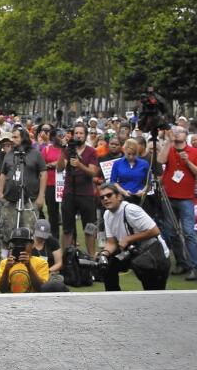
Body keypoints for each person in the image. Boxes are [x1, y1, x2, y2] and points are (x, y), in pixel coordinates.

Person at [97, 183, 169, 291]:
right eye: (102, 197)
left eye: (109, 195)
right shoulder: (107, 214)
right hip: (134, 253)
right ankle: (114, 299)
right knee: (108, 266)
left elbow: (155, 231)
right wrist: (104, 254)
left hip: (155, 255)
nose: (105, 199)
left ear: (119, 196)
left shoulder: (130, 209)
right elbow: (111, 242)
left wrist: (128, 239)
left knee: (153, 295)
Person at [155, 126, 197, 281]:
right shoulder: (169, 148)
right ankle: (182, 263)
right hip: (169, 198)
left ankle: (195, 267)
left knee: (189, 232)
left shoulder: (194, 152)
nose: (177, 133)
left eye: (180, 131)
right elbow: (160, 160)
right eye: (175, 131)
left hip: (186, 199)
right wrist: (168, 141)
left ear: (186, 135)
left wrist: (188, 162)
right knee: (172, 233)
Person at [0, 128, 46, 262]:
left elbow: (43, 174)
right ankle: (5, 258)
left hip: (29, 199)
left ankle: (28, 259)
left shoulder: (35, 154)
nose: (13, 140)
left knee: (29, 230)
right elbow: (3, 174)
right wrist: (0, 193)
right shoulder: (9, 154)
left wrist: (41, 195)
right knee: (6, 228)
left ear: (24, 138)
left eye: (16, 137)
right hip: (9, 198)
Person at [57, 124, 100, 256]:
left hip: (85, 193)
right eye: (76, 133)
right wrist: (63, 149)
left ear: (85, 135)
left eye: (81, 133)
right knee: (67, 229)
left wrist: (80, 165)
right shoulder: (68, 150)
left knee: (89, 228)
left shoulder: (91, 151)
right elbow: (59, 168)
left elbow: (93, 172)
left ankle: (92, 258)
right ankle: (66, 260)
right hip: (69, 192)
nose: (78, 135)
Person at [0, 226, 50, 294]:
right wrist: (6, 271)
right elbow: (2, 290)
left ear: (33, 244)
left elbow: (41, 288)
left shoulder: (41, 263)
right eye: (15, 243)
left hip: (33, 303)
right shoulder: (5, 263)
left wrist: (29, 267)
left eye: (23, 243)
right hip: (12, 303)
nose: (19, 246)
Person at [28, 218, 67, 291]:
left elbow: (59, 263)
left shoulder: (53, 242)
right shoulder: (28, 242)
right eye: (39, 235)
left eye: (44, 235)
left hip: (49, 273)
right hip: (32, 272)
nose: (41, 237)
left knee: (58, 280)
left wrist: (47, 271)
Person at [109, 138, 149, 203]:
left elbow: (148, 183)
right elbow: (113, 182)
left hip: (141, 198)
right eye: (129, 154)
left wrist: (143, 191)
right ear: (124, 151)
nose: (131, 157)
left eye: (134, 154)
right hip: (123, 197)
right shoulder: (117, 163)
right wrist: (123, 192)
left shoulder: (144, 164)